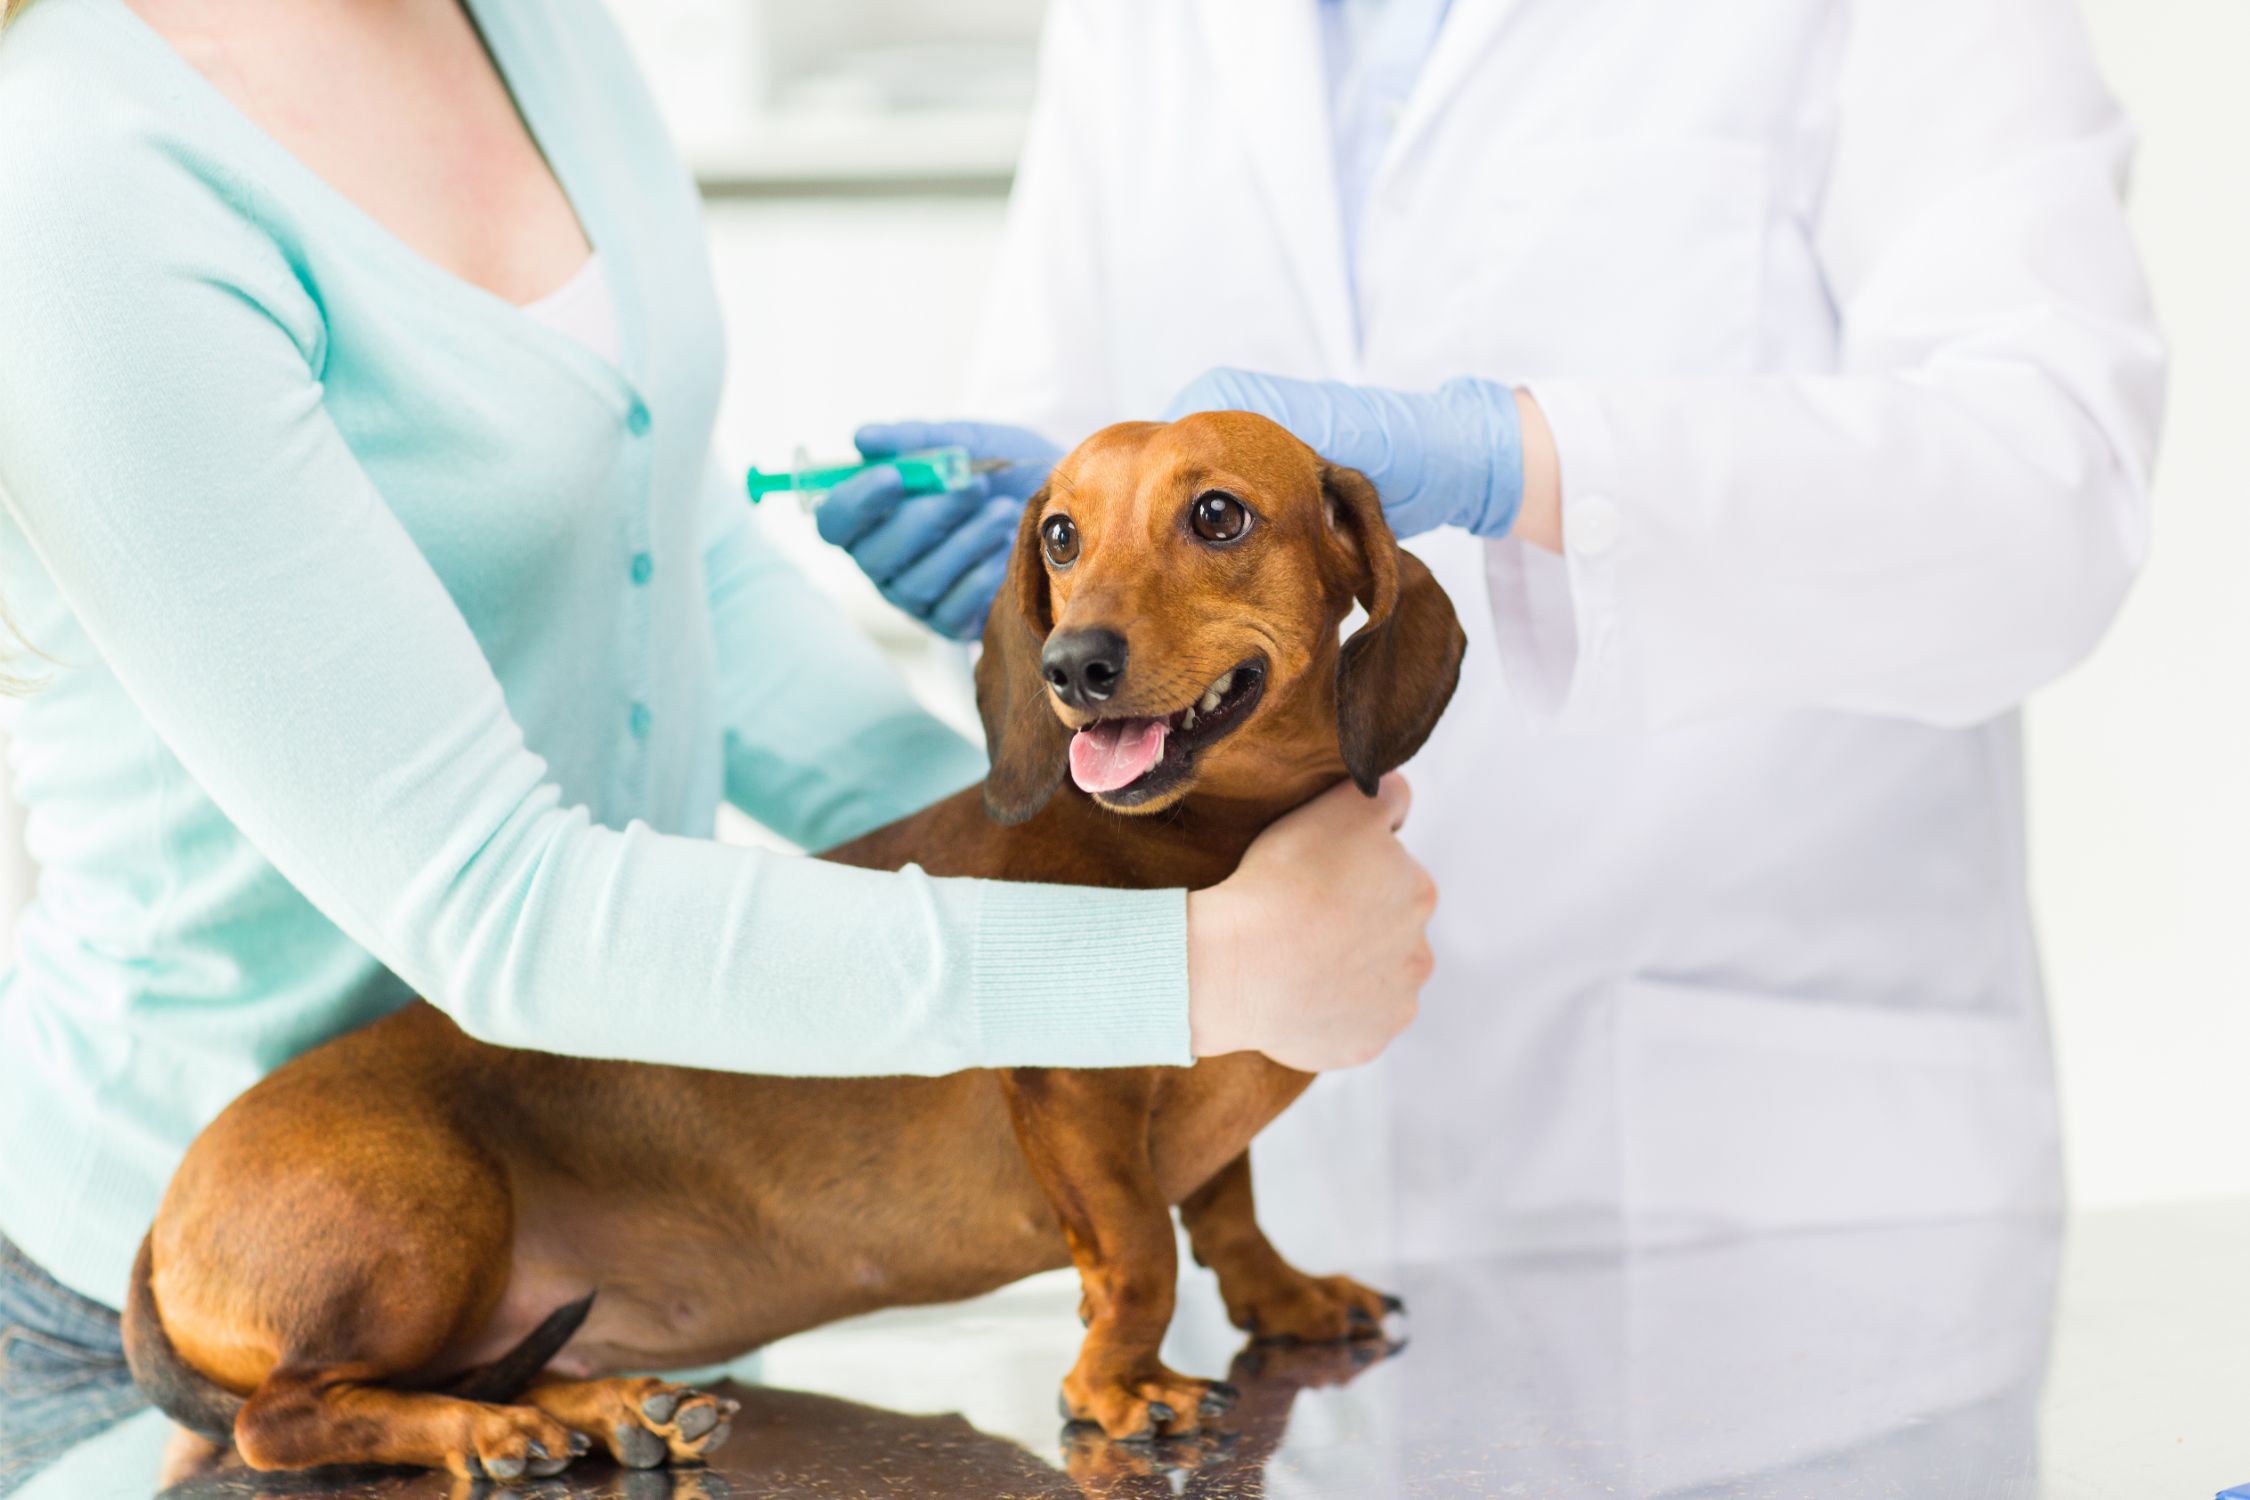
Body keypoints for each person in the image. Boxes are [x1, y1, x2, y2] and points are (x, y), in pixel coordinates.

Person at [0, 0, 1438, 1480]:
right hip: (217, 1297)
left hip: (635, 1216)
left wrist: (1084, 825)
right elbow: (495, 904)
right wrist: (1184, 968)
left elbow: (664, 549)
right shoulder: (76, 168)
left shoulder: (534, 29)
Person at [821, 0, 2165, 1264]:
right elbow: (1079, 452)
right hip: (1274, 1143)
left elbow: (2047, 492)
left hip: (1759, 1176)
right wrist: (1041, 586)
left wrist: (1511, 460)